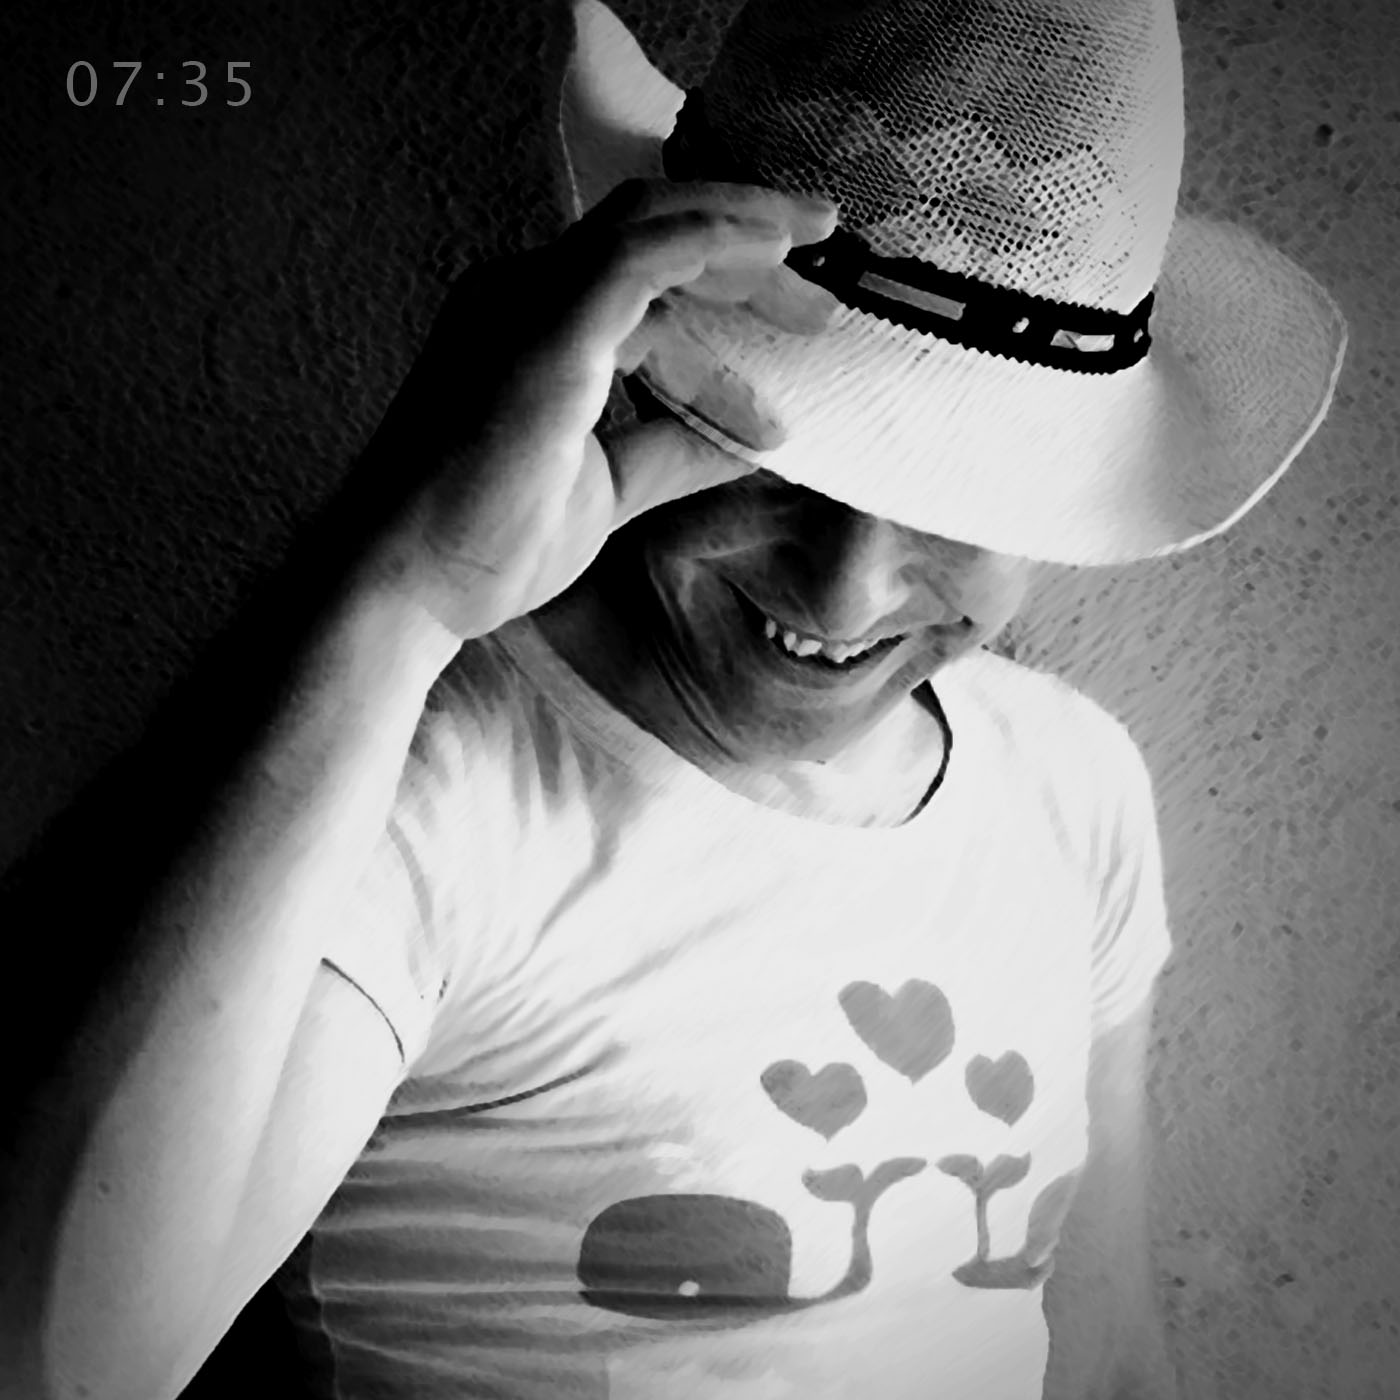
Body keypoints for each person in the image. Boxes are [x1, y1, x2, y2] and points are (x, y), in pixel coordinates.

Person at [0, 0, 1347, 1397]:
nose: (844, 595)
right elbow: (62, 1370)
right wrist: (401, 594)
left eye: (959, 493)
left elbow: (1108, 1358)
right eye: (782, 456)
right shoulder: (428, 795)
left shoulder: (1074, 783)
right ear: (632, 371)